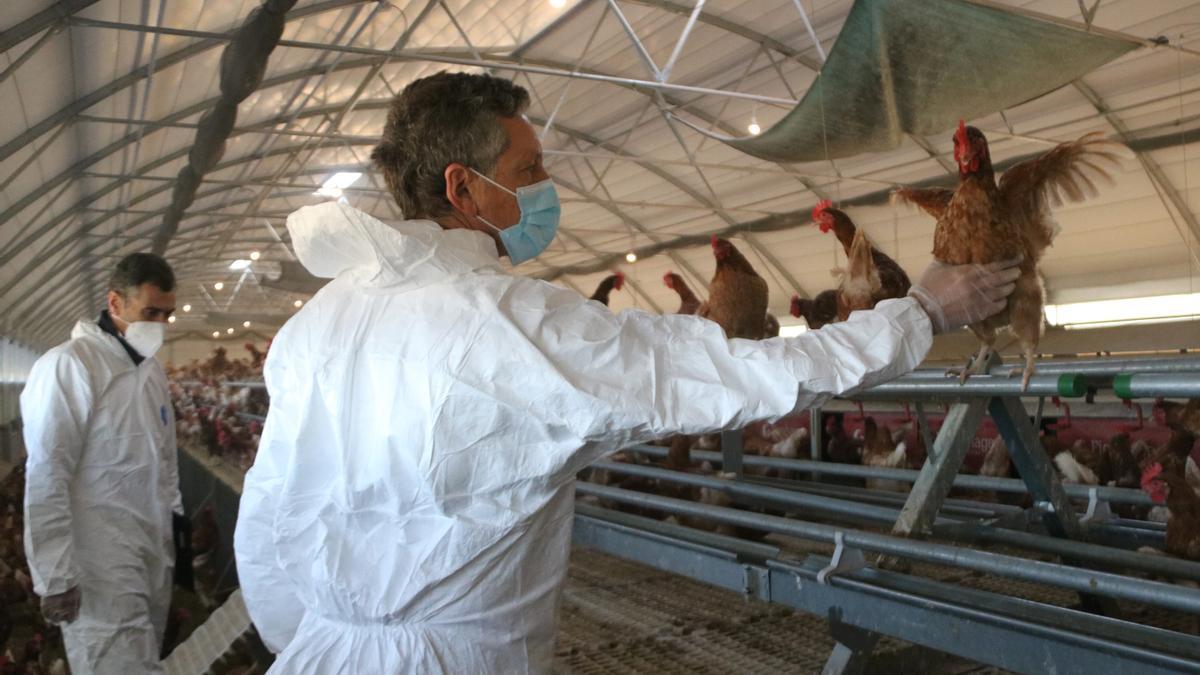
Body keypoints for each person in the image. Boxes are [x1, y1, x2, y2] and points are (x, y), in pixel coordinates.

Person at [235, 72, 1020, 674]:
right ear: (463, 188)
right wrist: (917, 314)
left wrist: (322, 641)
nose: (545, 185)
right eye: (529, 165)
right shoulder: (505, 320)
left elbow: (267, 531)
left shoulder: (318, 323)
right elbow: (735, 371)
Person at [22, 252, 182, 674]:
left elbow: (163, 462)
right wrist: (55, 576)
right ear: (115, 303)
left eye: (167, 314)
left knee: (144, 661)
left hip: (149, 551)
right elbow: (46, 474)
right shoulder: (69, 366)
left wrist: (174, 528)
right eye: (150, 312)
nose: (160, 325)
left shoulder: (150, 373)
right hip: (98, 562)